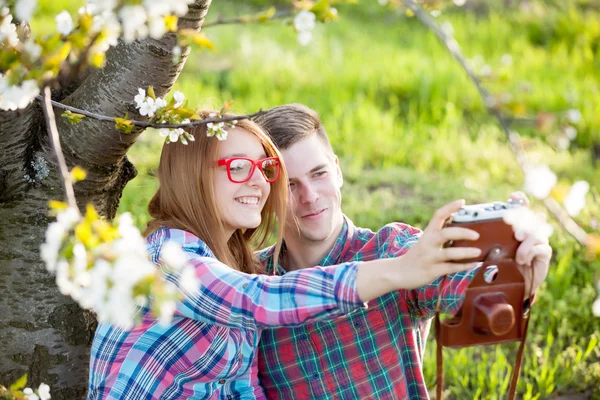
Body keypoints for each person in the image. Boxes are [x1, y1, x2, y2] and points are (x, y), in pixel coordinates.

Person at [87, 113, 482, 399]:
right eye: (239, 168)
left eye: (263, 169)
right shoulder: (168, 257)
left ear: (338, 170)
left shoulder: (386, 248)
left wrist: (513, 253)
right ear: (194, 177)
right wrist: (398, 272)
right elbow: (258, 300)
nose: (259, 182)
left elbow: (243, 386)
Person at [254, 104, 552, 399]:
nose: (310, 196)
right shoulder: (249, 281)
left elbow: (462, 290)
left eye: (318, 174)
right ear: (265, 193)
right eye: (289, 185)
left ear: (338, 171)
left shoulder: (393, 249)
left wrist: (517, 279)